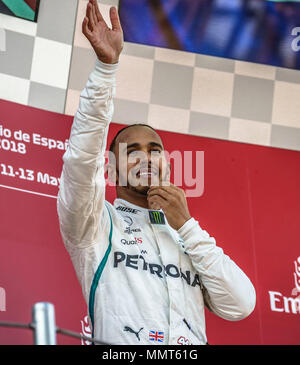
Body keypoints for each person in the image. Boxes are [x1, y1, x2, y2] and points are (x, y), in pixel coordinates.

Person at [57, 0, 256, 345]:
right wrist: (106, 69)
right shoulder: (95, 224)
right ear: (112, 168)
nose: (146, 158)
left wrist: (188, 227)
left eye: (155, 151)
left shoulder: (186, 236)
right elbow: (82, 159)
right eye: (132, 151)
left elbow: (241, 304)